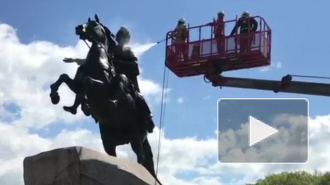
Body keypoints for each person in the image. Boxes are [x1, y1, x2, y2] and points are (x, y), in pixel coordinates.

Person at [63, 27, 155, 133]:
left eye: (122, 37)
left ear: (126, 39)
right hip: (112, 76)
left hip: (126, 80)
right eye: (119, 37)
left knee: (139, 98)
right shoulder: (111, 50)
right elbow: (96, 60)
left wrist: (118, 63)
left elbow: (134, 66)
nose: (120, 39)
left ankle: (148, 119)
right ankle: (77, 105)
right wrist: (75, 60)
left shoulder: (129, 51)